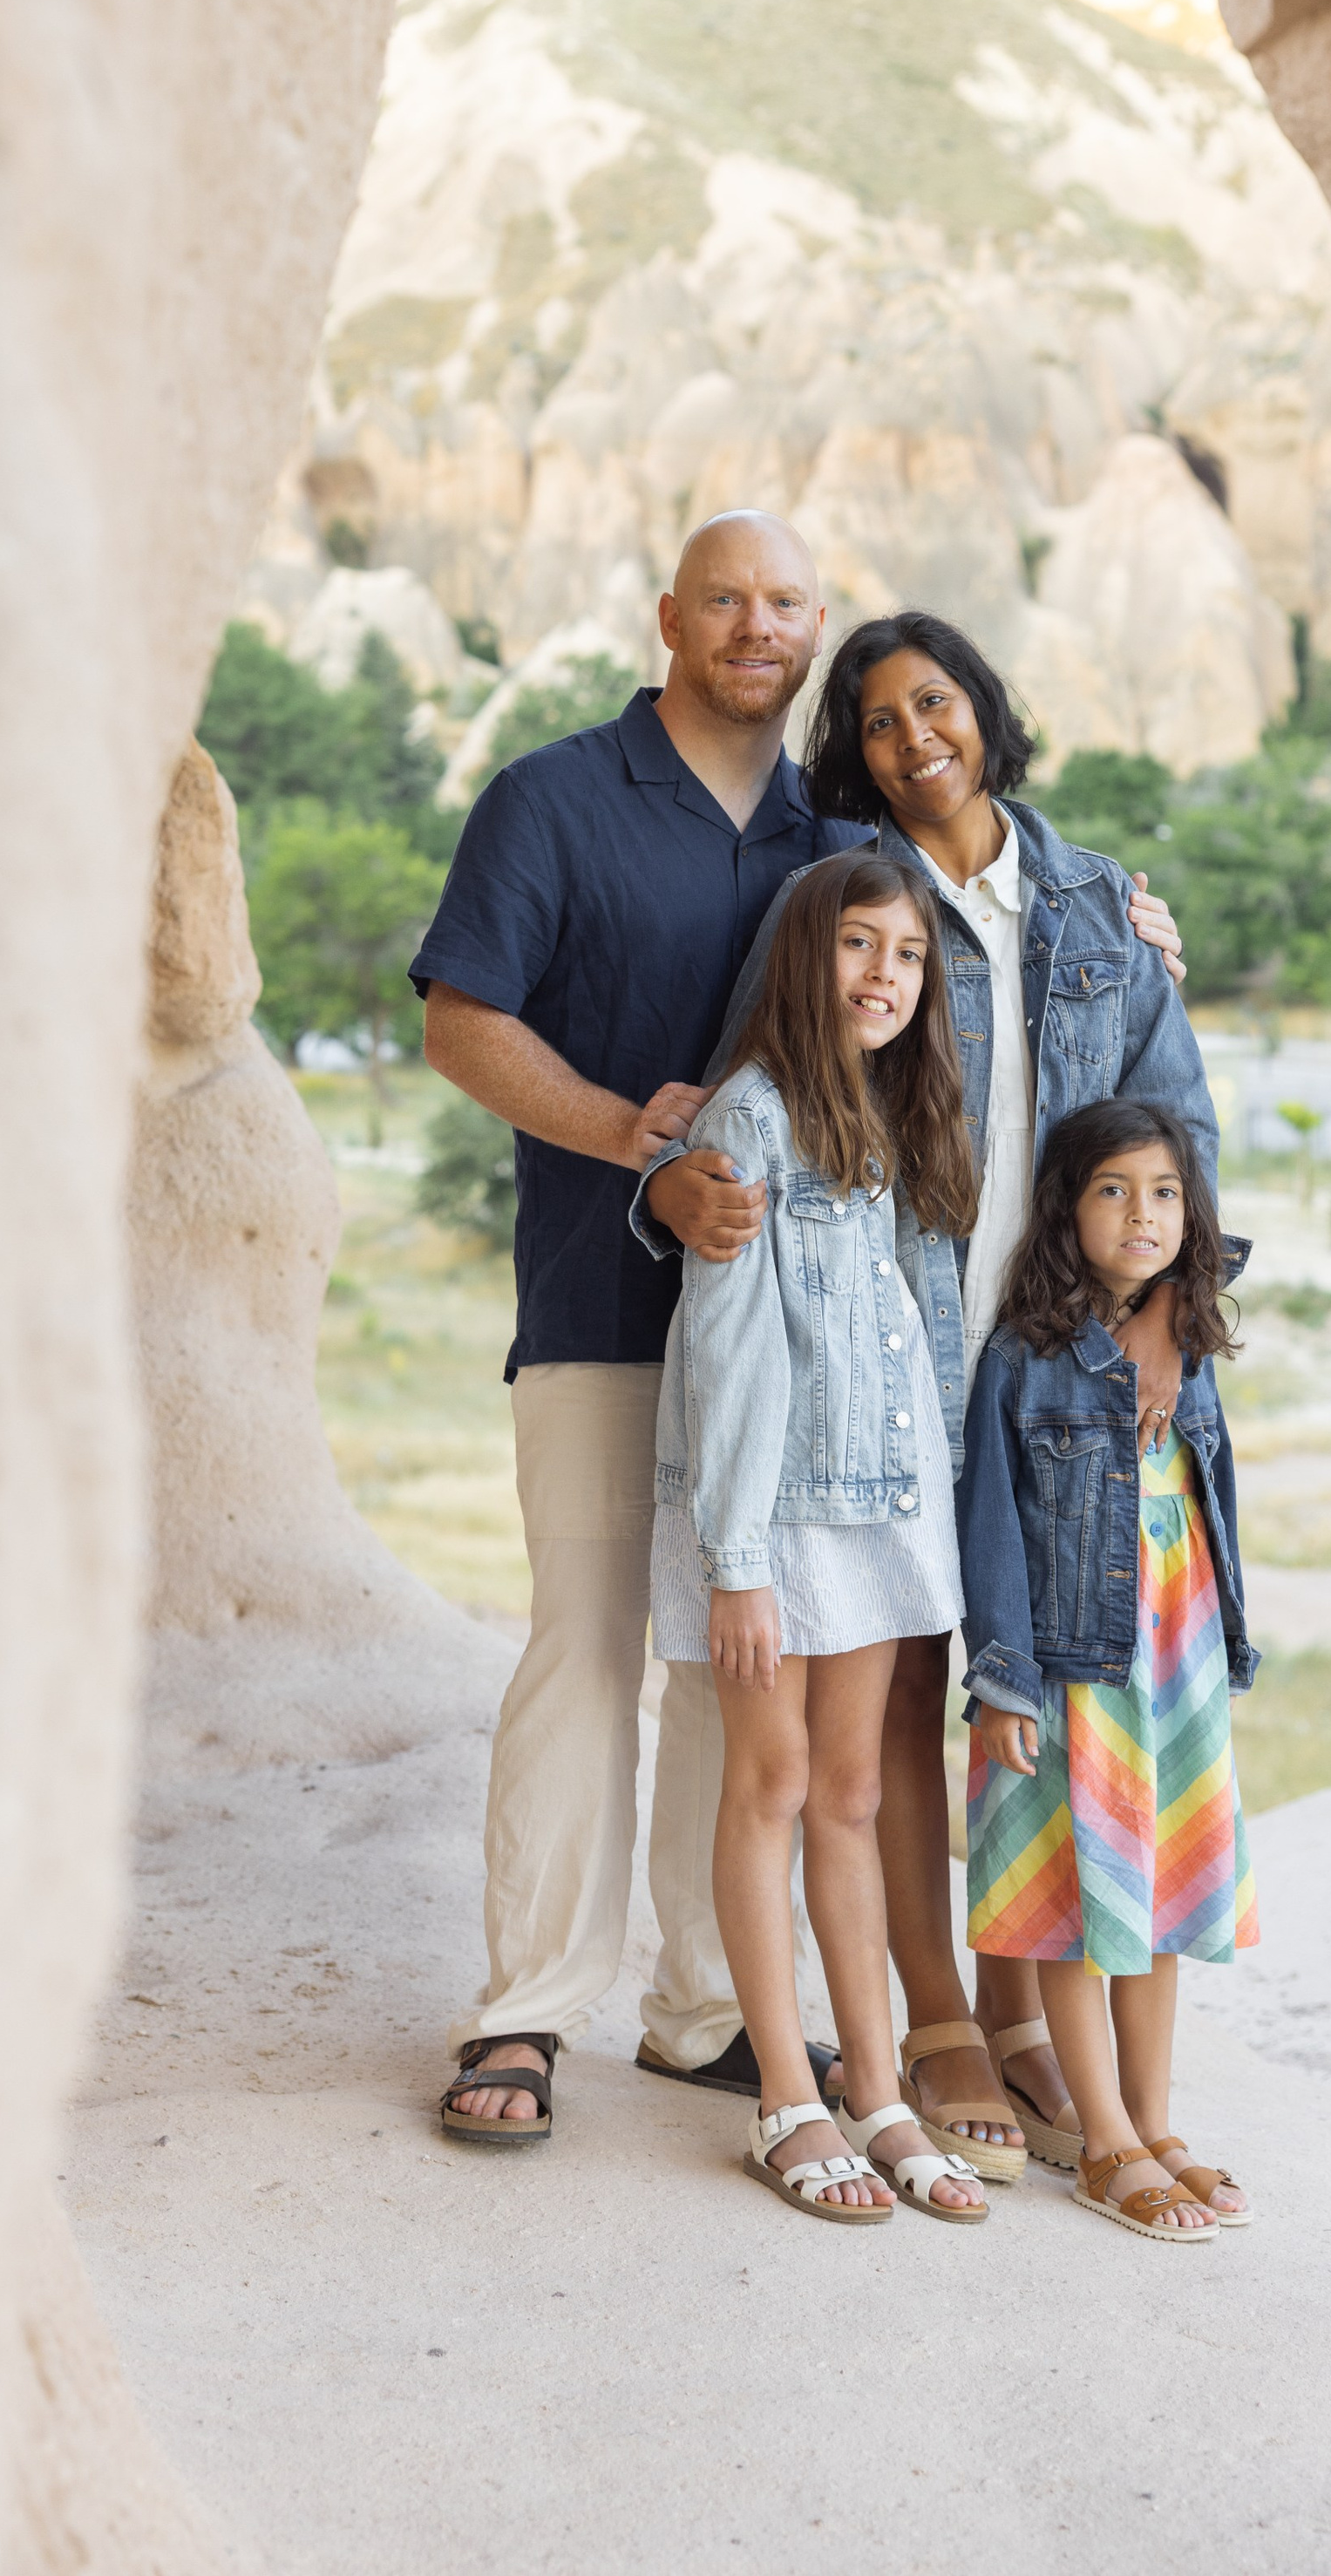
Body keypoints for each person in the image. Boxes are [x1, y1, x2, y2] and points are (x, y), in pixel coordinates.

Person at [641, 610, 1211, 2175]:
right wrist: (664, 1179)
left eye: (935, 703)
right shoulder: (850, 894)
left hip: (1063, 1357)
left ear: (986, 709)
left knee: (1052, 1676)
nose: (912, 738)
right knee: (880, 1698)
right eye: (877, 720)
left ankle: (1040, 2017)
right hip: (899, 1353)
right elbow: (740, 1122)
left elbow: (1176, 1124)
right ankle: (935, 2013)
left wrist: (1164, 1320)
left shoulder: (1097, 897)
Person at [424, 513, 869, 2145]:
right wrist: (638, 1142)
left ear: (818, 626)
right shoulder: (550, 798)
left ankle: (701, 2013)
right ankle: (533, 2008)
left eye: (788, 603)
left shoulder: (834, 831)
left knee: (728, 1668)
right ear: (669, 616)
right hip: (603, 1310)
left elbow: (965, 941)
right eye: (729, 599)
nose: (759, 625)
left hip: (793, 1350)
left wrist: (1140, 931)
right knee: (591, 1649)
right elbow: (462, 1021)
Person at [651, 851, 989, 2222]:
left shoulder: (890, 1115)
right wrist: (735, 1561)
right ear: (810, 957)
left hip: (876, 1515)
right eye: (859, 946)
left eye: (906, 957)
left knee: (853, 1795)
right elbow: (729, 1360)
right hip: (772, 1518)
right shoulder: (751, 1119)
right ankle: (785, 2094)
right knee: (773, 1785)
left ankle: (881, 2087)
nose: (884, 978)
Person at [959, 1098, 1257, 2240]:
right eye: (1114, 1190)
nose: (1145, 1213)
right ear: (1065, 1207)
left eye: (1166, 1191)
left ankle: (1155, 2116)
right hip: (1074, 1666)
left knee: (1161, 1896)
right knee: (1087, 1903)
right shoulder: (1026, 1361)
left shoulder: (1191, 1339)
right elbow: (991, 1524)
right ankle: (1103, 2139)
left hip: (1172, 1663)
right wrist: (1001, 1680)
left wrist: (1176, 1302)